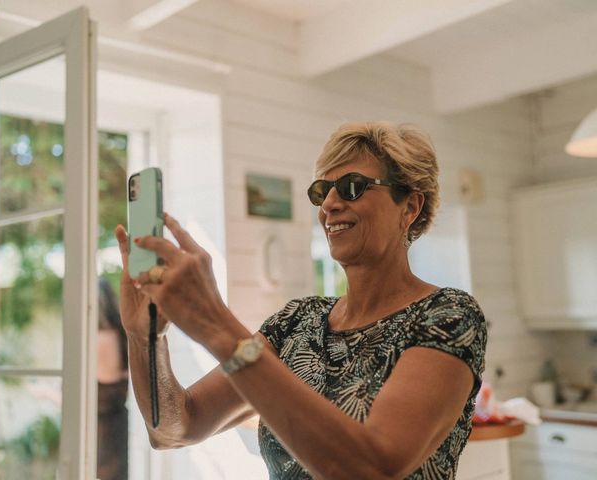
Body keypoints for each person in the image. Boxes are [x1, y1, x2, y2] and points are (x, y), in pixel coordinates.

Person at [114, 121, 487, 479]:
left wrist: (214, 321)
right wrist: (146, 339)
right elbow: (175, 429)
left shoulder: (448, 315)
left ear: (410, 207)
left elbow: (372, 468)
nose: (330, 205)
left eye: (352, 186)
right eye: (322, 192)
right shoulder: (297, 321)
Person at [97, 278, 129, 480]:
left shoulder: (92, 341)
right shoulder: (123, 335)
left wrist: (46, 394)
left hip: (99, 432)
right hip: (121, 423)